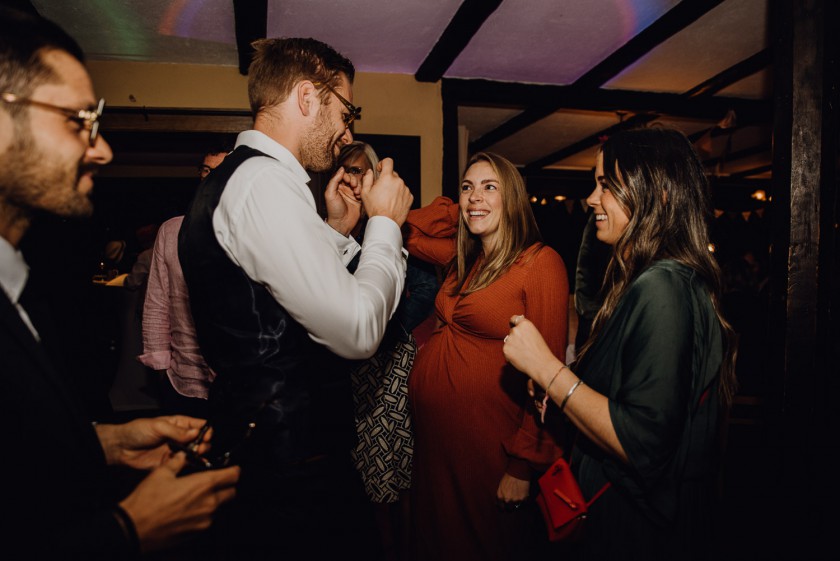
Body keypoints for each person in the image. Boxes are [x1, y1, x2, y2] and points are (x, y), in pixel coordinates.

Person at [0, 8, 239, 559]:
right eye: (77, 119)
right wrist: (127, 532)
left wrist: (105, 443)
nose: (102, 148)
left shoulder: (21, 286)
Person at [177, 37, 413, 559]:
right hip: (292, 471)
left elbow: (273, 287)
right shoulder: (262, 183)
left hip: (275, 455)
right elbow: (357, 331)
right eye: (346, 111)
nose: (348, 131)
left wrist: (336, 230)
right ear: (308, 98)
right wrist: (385, 227)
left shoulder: (246, 180)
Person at [503, 127, 738, 560]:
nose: (592, 199)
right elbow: (632, 396)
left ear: (658, 195)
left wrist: (547, 370)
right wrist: (566, 388)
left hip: (637, 532)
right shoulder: (648, 282)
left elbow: (643, 442)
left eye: (606, 185)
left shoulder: (663, 287)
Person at [404, 152, 569, 560]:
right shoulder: (467, 261)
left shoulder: (539, 263)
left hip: (489, 448)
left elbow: (549, 379)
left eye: (489, 187)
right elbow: (408, 231)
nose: (475, 196)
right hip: (435, 447)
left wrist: (521, 466)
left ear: (512, 198)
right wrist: (459, 209)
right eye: (467, 187)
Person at [333, 141, 438, 560]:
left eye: (361, 171)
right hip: (351, 370)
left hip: (392, 364)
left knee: (404, 459)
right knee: (368, 463)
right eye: (347, 171)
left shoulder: (394, 220)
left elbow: (426, 287)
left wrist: (388, 328)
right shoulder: (330, 227)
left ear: (376, 175)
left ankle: (411, 544)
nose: (354, 180)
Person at [138, 147, 230, 418]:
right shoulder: (171, 230)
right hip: (180, 379)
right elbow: (156, 302)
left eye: (221, 171)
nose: (210, 177)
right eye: (206, 170)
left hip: (235, 384)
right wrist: (160, 367)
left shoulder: (252, 232)